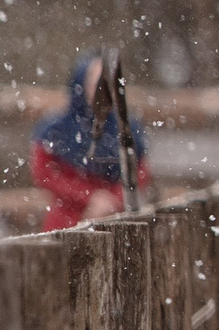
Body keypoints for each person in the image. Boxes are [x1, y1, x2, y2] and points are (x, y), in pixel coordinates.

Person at [29, 51, 150, 229]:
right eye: (96, 80)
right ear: (81, 83)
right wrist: (88, 197)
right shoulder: (55, 129)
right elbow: (43, 173)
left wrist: (113, 200)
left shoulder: (126, 128)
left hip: (117, 222)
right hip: (66, 222)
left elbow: (140, 172)